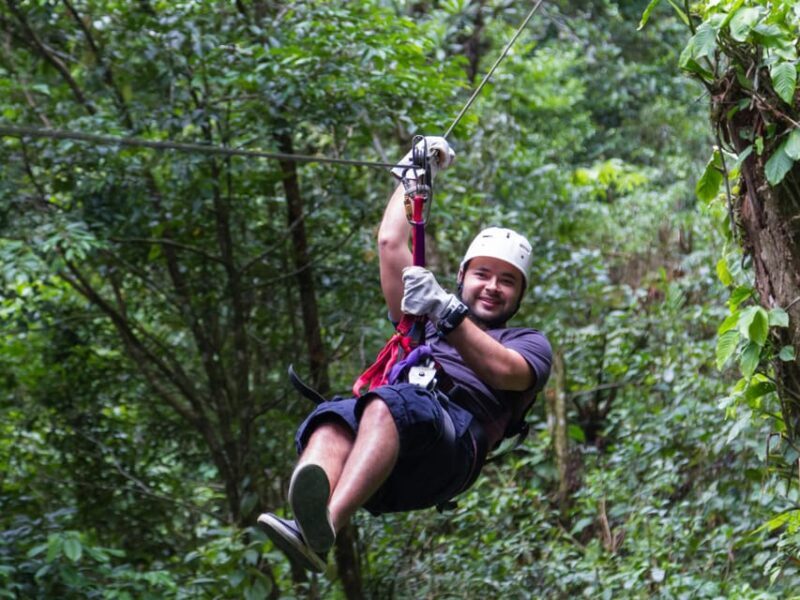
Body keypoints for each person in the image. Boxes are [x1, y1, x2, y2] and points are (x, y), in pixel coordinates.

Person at [258, 137, 552, 573]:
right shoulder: (424, 316)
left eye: (507, 281)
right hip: (390, 460)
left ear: (520, 294)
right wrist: (413, 175)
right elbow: (391, 244)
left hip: (451, 448)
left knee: (386, 405)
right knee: (334, 418)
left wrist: (446, 312)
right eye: (483, 274)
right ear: (462, 277)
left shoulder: (527, 342)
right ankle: (309, 521)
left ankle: (325, 530)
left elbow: (503, 370)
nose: (493, 286)